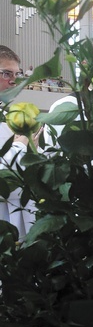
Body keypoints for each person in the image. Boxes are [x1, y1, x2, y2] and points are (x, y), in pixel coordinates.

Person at [0, 46, 35, 237]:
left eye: (17, 74)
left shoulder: (8, 114)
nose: (14, 80)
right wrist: (21, 144)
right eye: (6, 73)